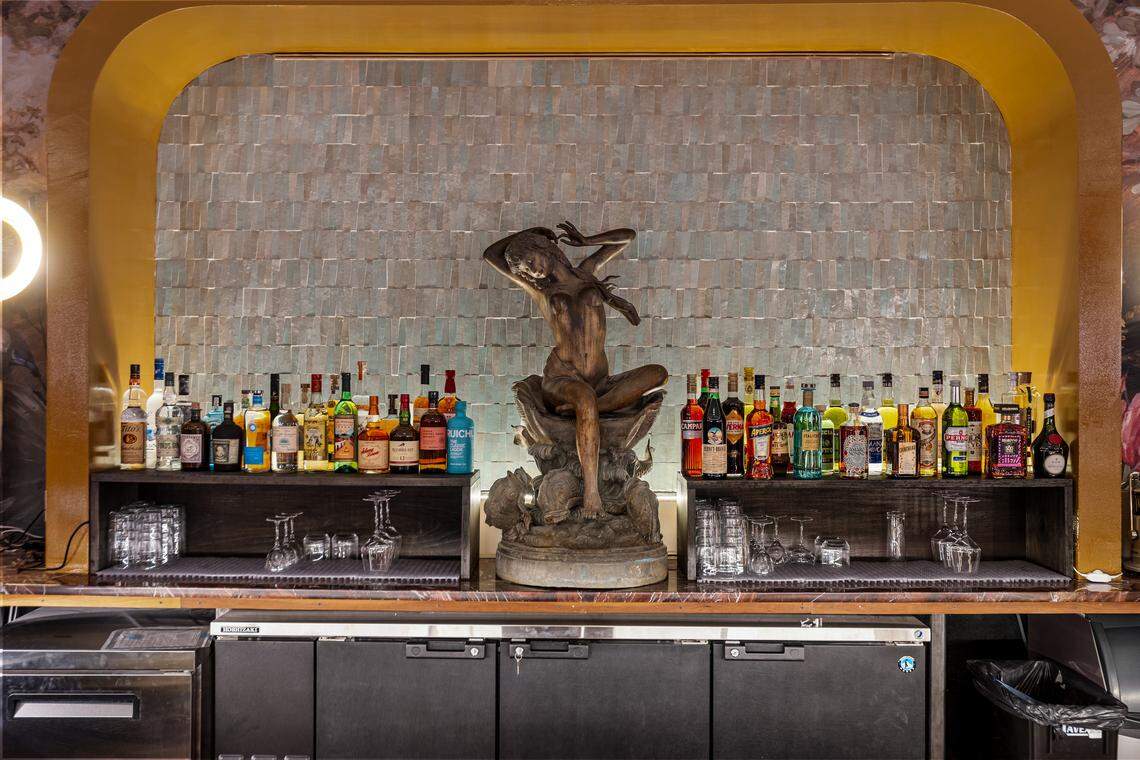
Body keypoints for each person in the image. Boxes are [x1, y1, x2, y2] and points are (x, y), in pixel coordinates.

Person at [483, 222, 667, 518]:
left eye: (532, 261)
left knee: (657, 373)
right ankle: (592, 496)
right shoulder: (542, 291)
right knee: (583, 398)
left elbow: (627, 237)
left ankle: (593, 406)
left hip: (600, 381)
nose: (533, 271)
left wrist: (585, 240)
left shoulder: (587, 272)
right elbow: (492, 254)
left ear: (545, 249)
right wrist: (527, 234)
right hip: (563, 378)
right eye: (526, 270)